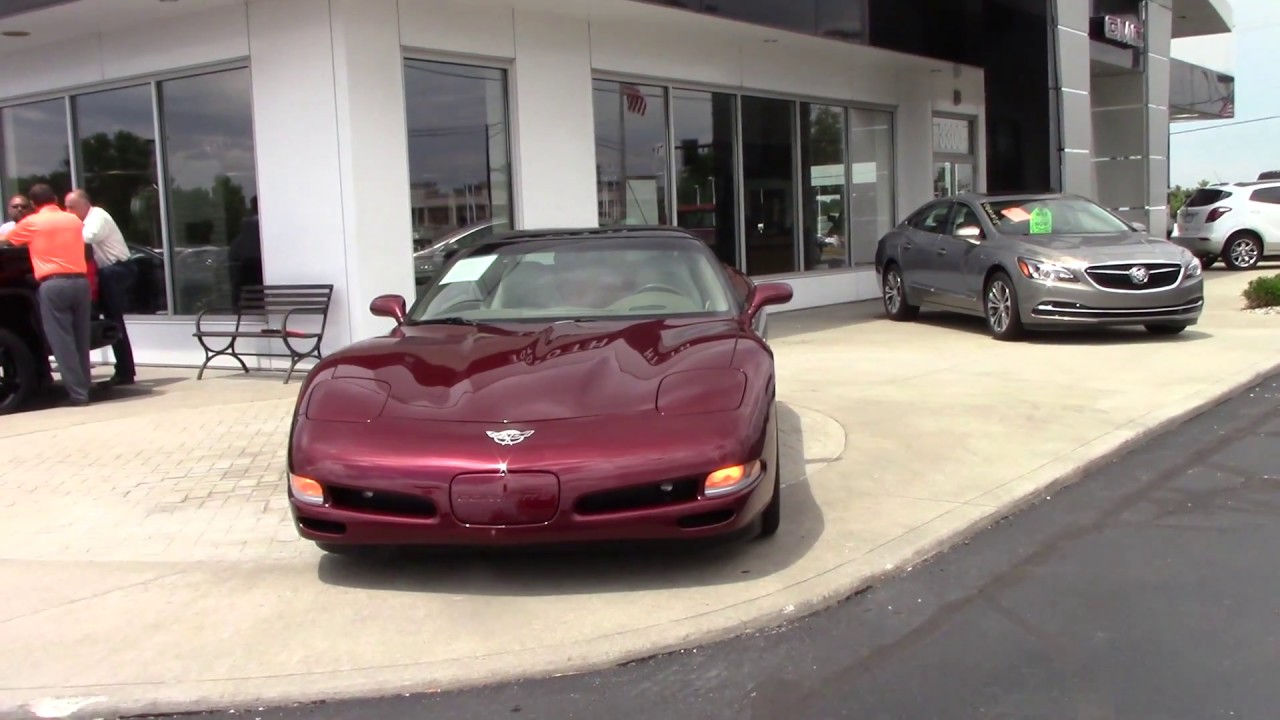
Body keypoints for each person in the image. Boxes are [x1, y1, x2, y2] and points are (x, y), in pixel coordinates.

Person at [0, 184, 93, 406]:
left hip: (53, 284)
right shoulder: (73, 220)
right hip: (81, 282)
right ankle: (85, 387)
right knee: (81, 338)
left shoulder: (32, 223)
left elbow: (6, 241)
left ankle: (78, 395)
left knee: (63, 342)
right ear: (55, 199)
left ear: (33, 204)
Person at [66, 188, 136, 385]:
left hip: (117, 269)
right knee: (110, 317)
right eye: (66, 207)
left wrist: (64, 232)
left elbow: (87, 238)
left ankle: (125, 371)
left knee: (114, 319)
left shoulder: (97, 216)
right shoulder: (83, 221)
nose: (68, 211)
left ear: (85, 205)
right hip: (106, 272)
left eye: (72, 207)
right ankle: (124, 369)